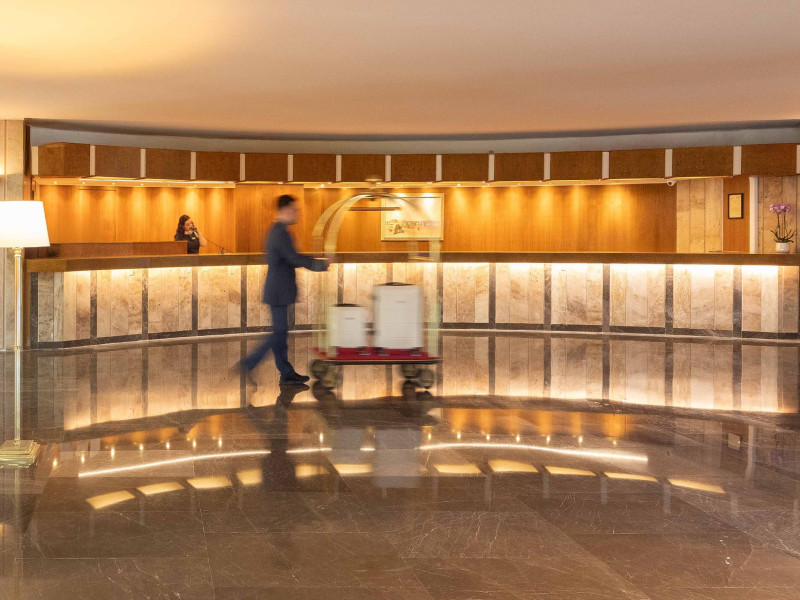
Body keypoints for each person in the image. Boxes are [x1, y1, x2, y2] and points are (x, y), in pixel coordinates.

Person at [240, 194, 328, 384]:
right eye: (295, 210)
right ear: (286, 210)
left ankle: (286, 372)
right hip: (278, 291)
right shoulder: (280, 233)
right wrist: (321, 264)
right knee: (278, 334)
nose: (298, 214)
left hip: (278, 290)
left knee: (280, 333)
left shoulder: (278, 231)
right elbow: (294, 258)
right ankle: (249, 363)